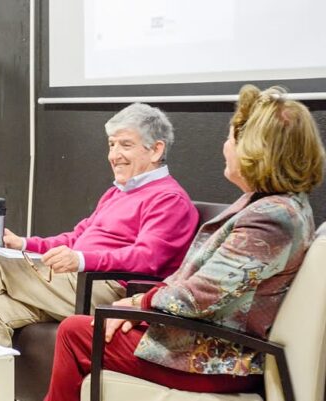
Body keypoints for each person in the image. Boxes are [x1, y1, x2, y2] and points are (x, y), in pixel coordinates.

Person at [45, 85, 326, 401]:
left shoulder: (272, 218)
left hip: (217, 359)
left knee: (75, 333)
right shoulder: (272, 205)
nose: (225, 146)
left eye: (232, 139)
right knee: (88, 328)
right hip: (202, 339)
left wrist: (137, 304)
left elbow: (199, 295)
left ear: (257, 150)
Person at [0, 103, 199, 399]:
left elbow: (147, 258)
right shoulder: (116, 193)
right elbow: (77, 237)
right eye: (111, 145)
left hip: (109, 291)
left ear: (155, 150)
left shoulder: (169, 199)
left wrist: (82, 260)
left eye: (125, 145)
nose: (114, 155)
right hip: (75, 283)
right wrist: (24, 244)